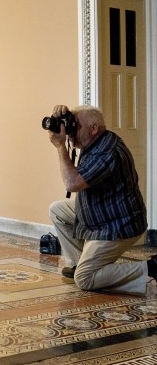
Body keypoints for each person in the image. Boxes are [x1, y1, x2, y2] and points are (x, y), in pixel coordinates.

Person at [48, 104, 154, 295]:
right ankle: (80, 264)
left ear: (94, 128)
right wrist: (64, 116)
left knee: (85, 279)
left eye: (75, 125)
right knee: (57, 210)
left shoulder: (108, 151)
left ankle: (150, 269)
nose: (70, 130)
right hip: (102, 213)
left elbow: (72, 184)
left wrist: (60, 146)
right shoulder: (95, 143)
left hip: (118, 224)